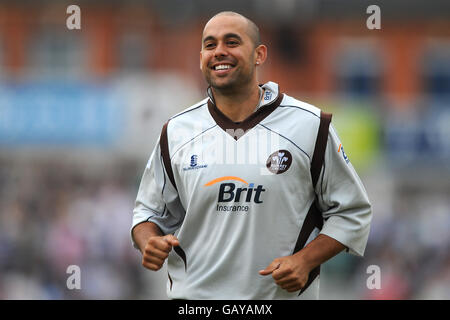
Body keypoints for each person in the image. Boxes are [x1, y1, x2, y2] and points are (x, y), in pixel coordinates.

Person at [131, 11, 372, 300]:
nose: (219, 51)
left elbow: (351, 211)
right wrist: (148, 242)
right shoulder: (176, 131)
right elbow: (148, 213)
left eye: (231, 42)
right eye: (210, 45)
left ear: (259, 54)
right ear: (201, 57)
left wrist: (305, 260)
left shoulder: (309, 124)